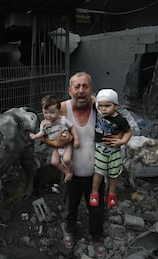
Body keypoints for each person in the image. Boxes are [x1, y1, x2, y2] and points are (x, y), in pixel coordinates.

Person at [42, 72, 116, 248]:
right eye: (77, 86)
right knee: (70, 206)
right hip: (71, 174)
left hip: (96, 173)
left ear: (91, 90)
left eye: (85, 86)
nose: (81, 90)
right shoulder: (61, 110)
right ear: (70, 90)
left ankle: (96, 236)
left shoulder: (100, 109)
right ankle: (69, 230)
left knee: (96, 208)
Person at [89, 89, 132, 208]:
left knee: (114, 173)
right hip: (100, 148)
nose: (103, 109)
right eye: (100, 106)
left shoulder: (120, 119)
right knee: (99, 171)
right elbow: (91, 99)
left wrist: (122, 141)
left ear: (116, 106)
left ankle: (112, 193)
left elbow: (128, 132)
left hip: (114, 150)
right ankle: (94, 193)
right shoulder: (98, 110)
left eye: (107, 106)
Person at [29, 94, 80, 182]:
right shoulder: (44, 123)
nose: (49, 115)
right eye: (46, 112)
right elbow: (42, 133)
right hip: (56, 146)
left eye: (52, 112)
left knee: (66, 159)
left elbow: (72, 128)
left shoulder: (62, 120)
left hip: (66, 143)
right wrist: (34, 136)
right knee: (54, 162)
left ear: (58, 111)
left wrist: (76, 139)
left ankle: (72, 171)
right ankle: (66, 172)